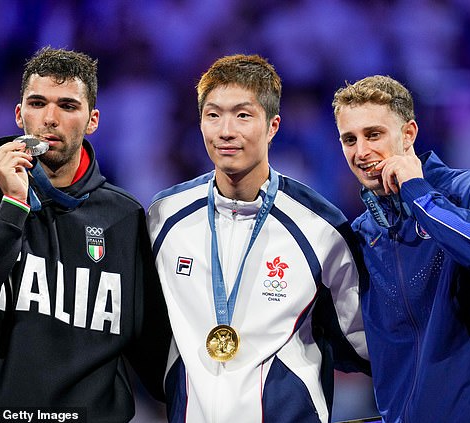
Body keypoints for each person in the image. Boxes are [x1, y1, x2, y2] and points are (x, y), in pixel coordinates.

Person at [0, 47, 171, 422]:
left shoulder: (125, 218)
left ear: (93, 120)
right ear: (19, 113)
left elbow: (154, 352)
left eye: (68, 106)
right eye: (37, 103)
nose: (50, 119)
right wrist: (12, 206)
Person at [147, 54, 369, 423]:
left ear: (273, 126)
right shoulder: (165, 216)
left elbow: (363, 343)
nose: (226, 131)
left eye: (243, 115)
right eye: (213, 115)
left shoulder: (321, 228)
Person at [332, 75, 470, 423]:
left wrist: (419, 194)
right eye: (349, 139)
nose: (361, 152)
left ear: (409, 134)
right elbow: (351, 342)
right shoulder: (362, 235)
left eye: (374, 135)